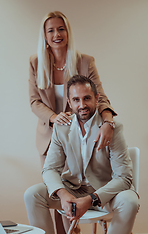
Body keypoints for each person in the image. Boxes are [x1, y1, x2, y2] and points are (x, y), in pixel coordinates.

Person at [25, 75, 139, 234]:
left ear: (97, 98)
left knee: (130, 200)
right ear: (69, 102)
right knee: (32, 194)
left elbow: (124, 177)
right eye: (76, 99)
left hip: (104, 192)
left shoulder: (112, 127)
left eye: (87, 98)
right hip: (73, 190)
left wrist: (91, 199)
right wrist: (63, 195)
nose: (82, 105)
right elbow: (50, 169)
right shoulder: (61, 127)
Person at [29, 11, 117, 170]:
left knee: (76, 189)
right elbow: (34, 102)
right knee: (53, 189)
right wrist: (55, 118)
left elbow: (101, 98)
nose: (57, 34)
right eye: (51, 30)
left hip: (80, 137)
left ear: (68, 32)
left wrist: (108, 123)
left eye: (61, 29)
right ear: (45, 36)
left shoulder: (85, 62)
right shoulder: (35, 62)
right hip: (48, 139)